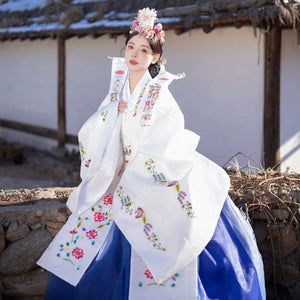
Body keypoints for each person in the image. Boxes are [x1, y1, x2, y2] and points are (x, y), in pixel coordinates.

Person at [38, 8, 266, 300]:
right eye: (130, 46)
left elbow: (168, 136)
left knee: (168, 231)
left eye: (144, 49)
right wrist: (112, 114)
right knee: (86, 239)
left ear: (156, 57)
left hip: (152, 174)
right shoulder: (118, 88)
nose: (134, 54)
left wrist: (135, 166)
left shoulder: (160, 92)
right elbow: (95, 128)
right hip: (121, 172)